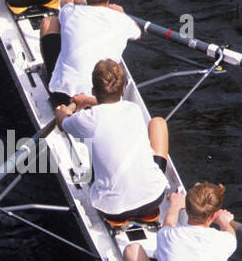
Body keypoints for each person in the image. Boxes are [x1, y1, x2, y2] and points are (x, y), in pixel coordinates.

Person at [55, 59, 169, 223]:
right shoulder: (133, 109)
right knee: (158, 123)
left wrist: (61, 110)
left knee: (90, 145)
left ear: (94, 91)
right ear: (123, 89)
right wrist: (87, 101)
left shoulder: (86, 120)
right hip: (154, 198)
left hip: (113, 210)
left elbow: (61, 122)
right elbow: (110, 106)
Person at [40, 0, 141, 109]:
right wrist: (121, 13)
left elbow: (64, 4)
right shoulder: (124, 21)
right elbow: (137, 34)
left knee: (50, 22)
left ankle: (47, 73)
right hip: (105, 99)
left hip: (63, 96)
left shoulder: (70, 12)